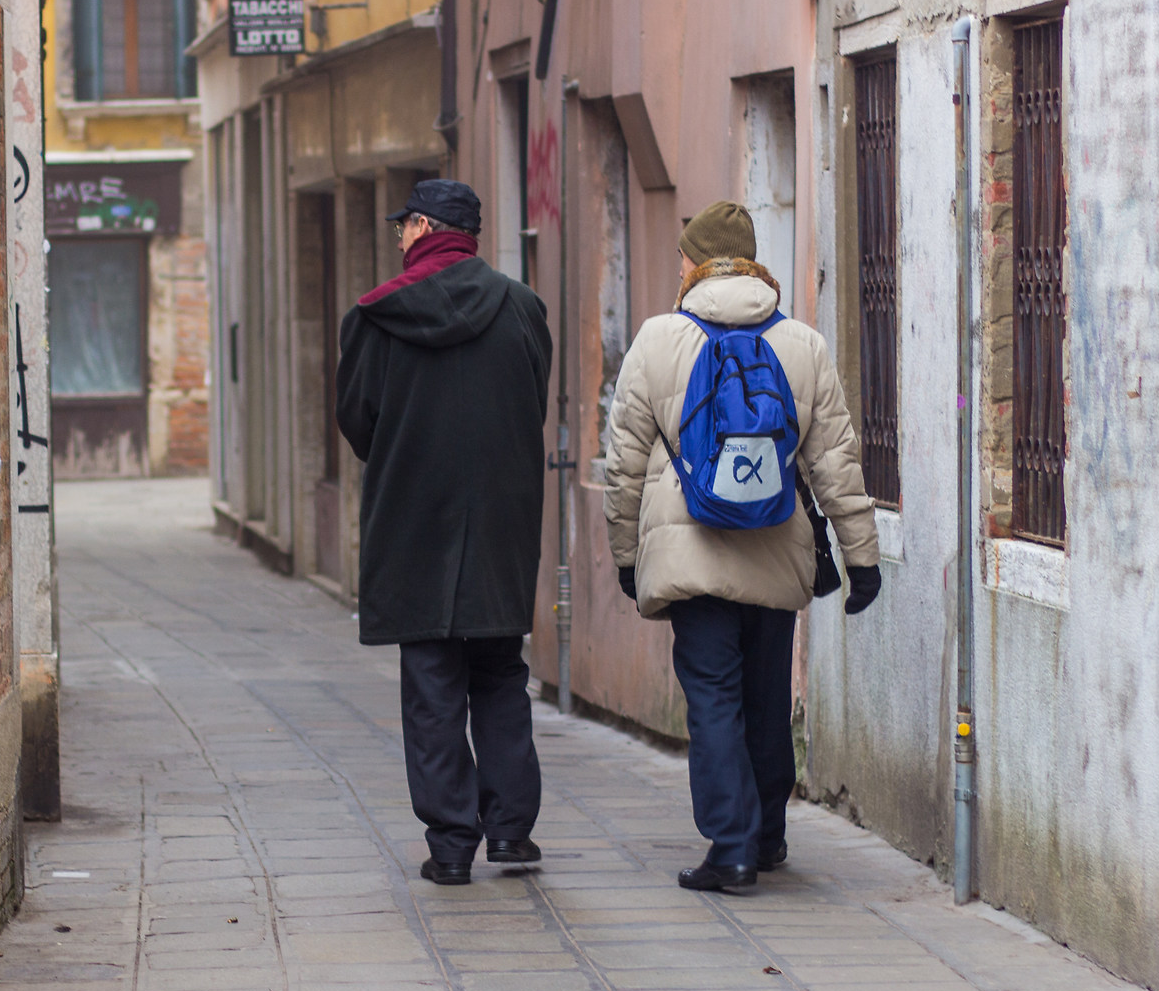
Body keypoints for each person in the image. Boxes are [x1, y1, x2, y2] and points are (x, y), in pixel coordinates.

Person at [603, 201, 880, 892]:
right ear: (753, 259)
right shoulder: (801, 344)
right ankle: (768, 836)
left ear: (694, 264)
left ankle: (730, 847)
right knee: (765, 695)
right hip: (775, 548)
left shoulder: (659, 339)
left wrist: (625, 555)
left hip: (689, 555)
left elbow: (625, 463)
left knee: (714, 700)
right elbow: (836, 463)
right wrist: (862, 558)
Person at [336, 179, 553, 886]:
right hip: (501, 524)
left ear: (424, 227)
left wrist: (405, 454)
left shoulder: (375, 317)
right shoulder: (522, 308)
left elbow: (358, 419)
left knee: (431, 687)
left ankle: (452, 846)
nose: (398, 237)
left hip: (412, 524)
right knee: (499, 676)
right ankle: (513, 835)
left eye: (404, 226)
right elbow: (533, 402)